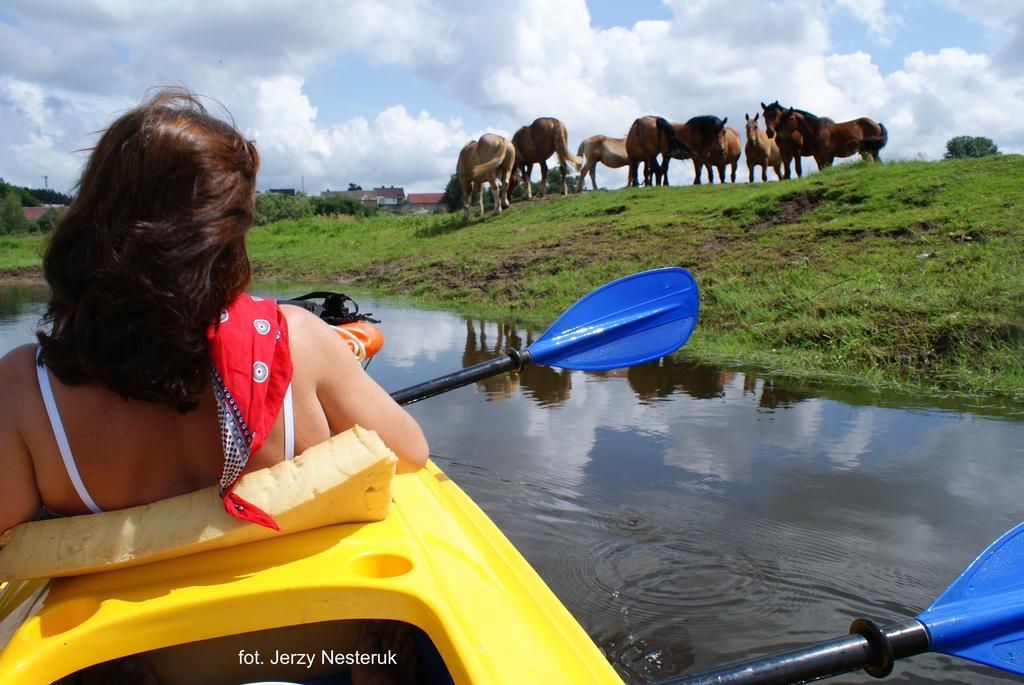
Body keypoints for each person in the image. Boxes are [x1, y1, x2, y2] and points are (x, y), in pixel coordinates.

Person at [0, 87, 429, 535]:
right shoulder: (299, 341)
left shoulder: (20, 389)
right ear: (226, 233)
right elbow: (411, 453)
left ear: (90, 216)